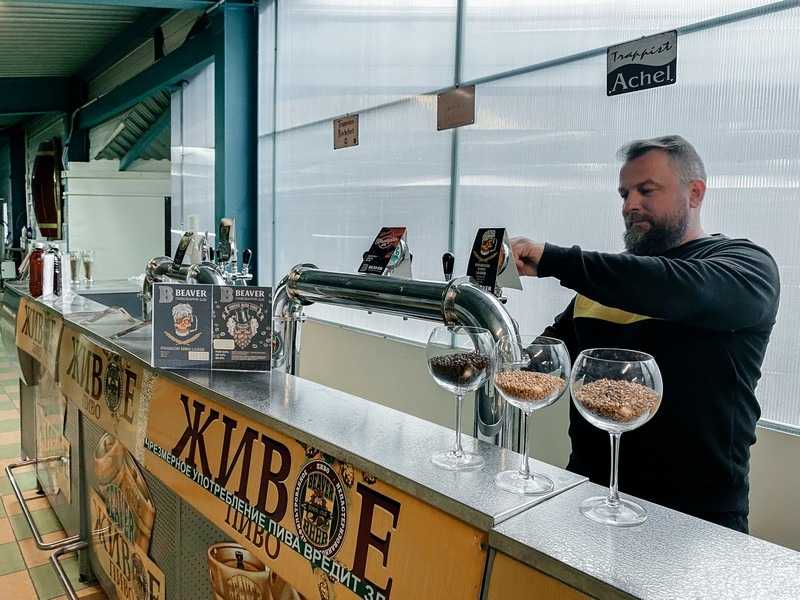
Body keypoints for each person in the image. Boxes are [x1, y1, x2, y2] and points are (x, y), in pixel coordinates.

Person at [510, 135, 780, 533]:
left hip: (696, 520)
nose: (629, 205)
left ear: (695, 193)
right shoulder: (605, 282)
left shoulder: (745, 267)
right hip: (590, 499)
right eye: (624, 194)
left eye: (646, 191)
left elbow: (674, 287)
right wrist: (492, 348)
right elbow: (546, 360)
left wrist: (555, 259)